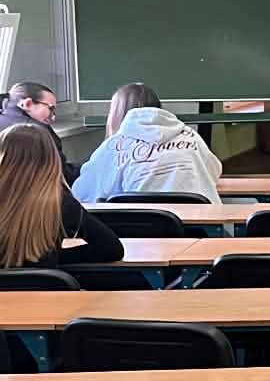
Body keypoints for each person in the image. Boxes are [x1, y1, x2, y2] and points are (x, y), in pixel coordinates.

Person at [0, 122, 122, 271]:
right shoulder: (60, 203)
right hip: (45, 284)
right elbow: (111, 249)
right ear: (51, 159)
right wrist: (56, 257)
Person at [73, 83, 221, 204]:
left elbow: (83, 192)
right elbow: (214, 172)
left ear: (117, 114)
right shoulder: (190, 135)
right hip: (196, 224)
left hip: (136, 227)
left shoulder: (113, 145)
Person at [0, 78, 74, 180]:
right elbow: (61, 174)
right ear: (28, 104)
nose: (53, 117)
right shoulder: (38, 132)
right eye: (50, 109)